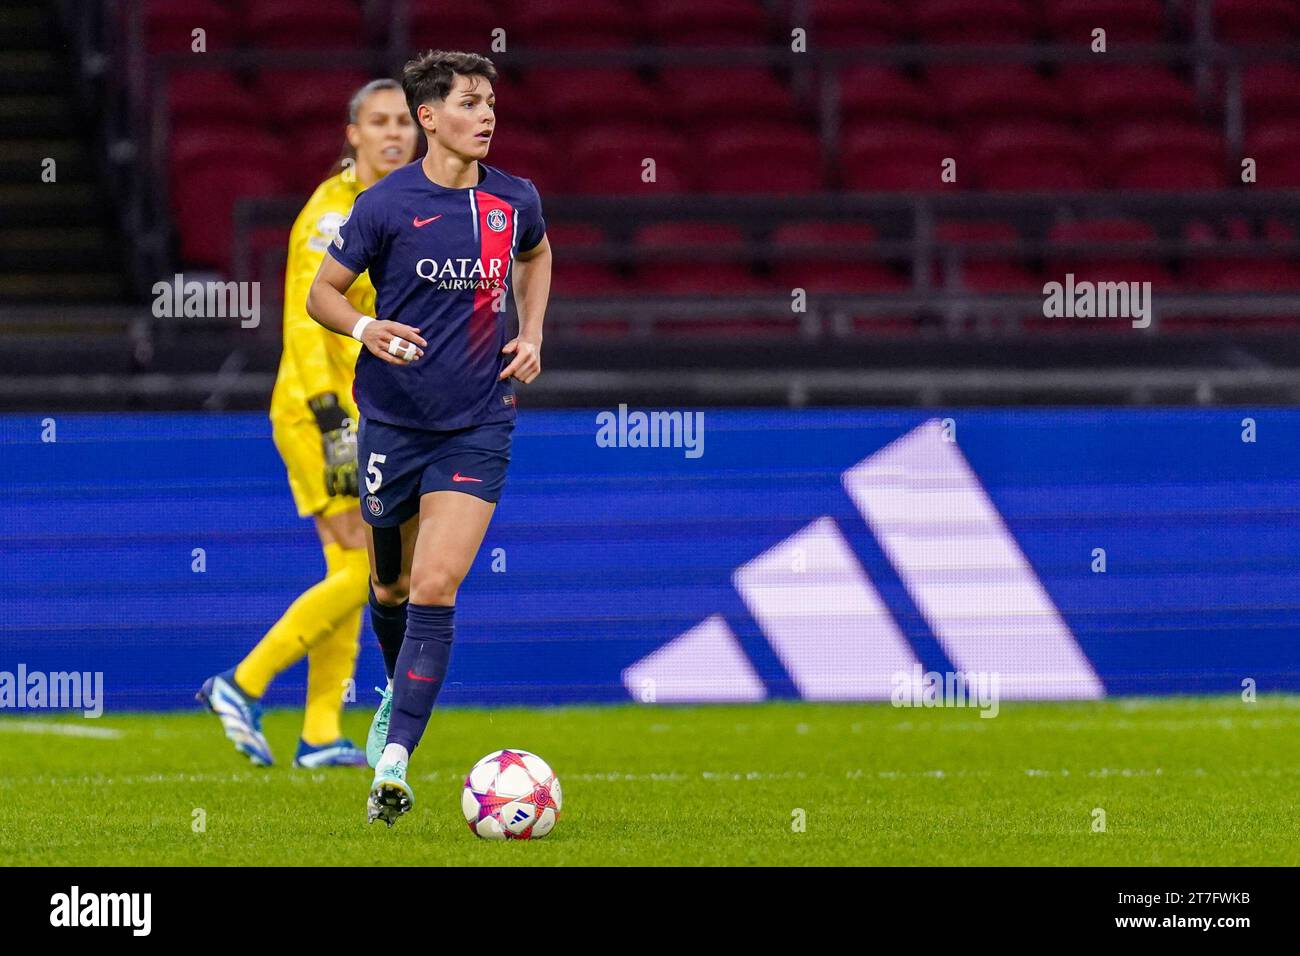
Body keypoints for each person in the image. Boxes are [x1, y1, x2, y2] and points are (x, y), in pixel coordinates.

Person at [305, 49, 552, 825]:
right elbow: (322, 295)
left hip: (478, 423)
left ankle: (394, 760)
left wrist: (534, 332)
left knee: (435, 588)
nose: (486, 116)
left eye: (490, 104)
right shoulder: (383, 206)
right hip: (391, 426)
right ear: (429, 117)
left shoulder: (515, 200)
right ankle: (394, 689)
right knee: (388, 589)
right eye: (470, 103)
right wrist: (368, 326)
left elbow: (538, 255)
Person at [197, 79, 418, 768]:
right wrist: (331, 421)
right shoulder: (332, 215)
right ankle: (243, 682)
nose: (394, 134)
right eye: (378, 122)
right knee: (372, 566)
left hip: (358, 409)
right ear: (351, 134)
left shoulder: (392, 205)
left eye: (404, 122)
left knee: (352, 564)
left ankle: (320, 730)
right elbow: (302, 321)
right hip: (320, 410)